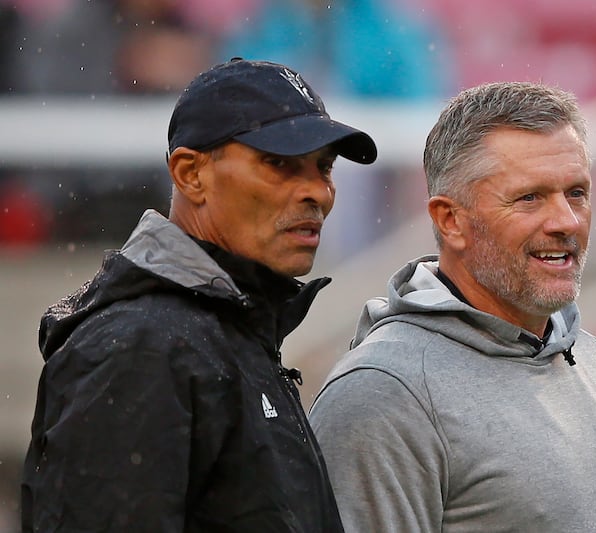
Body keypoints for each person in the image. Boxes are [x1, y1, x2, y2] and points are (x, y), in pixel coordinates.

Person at [21, 58, 377, 532]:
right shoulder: (143, 348)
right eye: (279, 163)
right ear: (190, 174)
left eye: (324, 167)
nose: (319, 192)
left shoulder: (217, 331)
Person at [309, 81, 596, 532]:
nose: (566, 221)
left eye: (576, 193)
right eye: (529, 197)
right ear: (450, 220)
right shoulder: (382, 394)